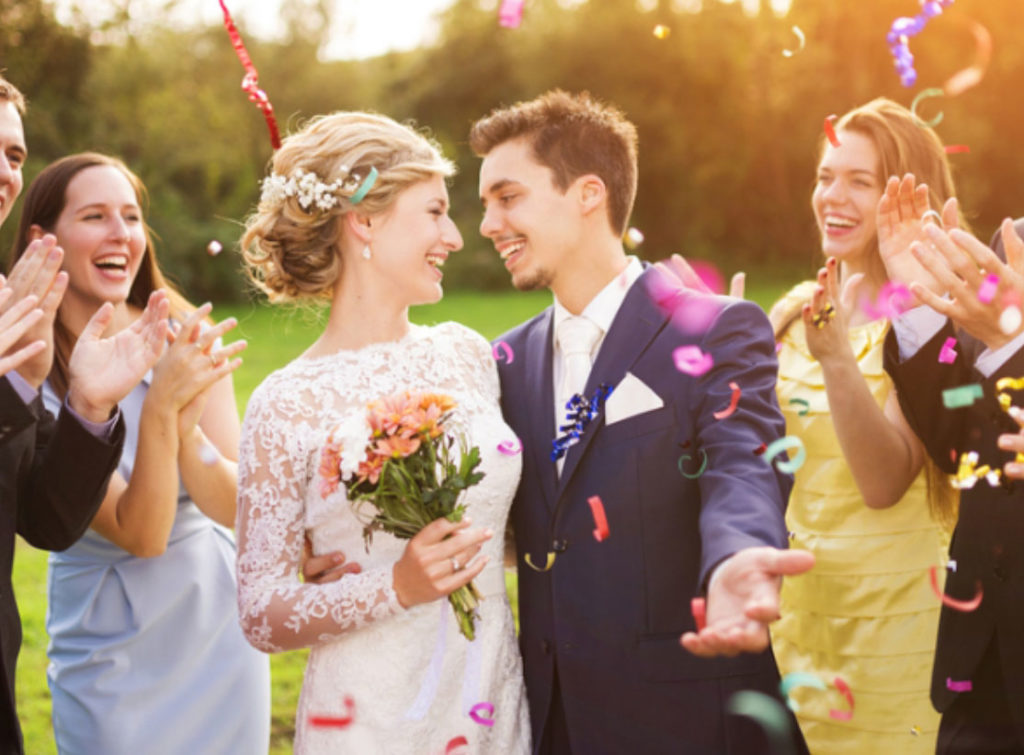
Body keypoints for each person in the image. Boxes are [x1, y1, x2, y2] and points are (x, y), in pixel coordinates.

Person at [470, 89, 814, 754]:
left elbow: (741, 461)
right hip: (556, 722)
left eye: (507, 197)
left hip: (688, 719)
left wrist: (737, 557)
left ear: (588, 193)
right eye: (486, 203)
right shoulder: (505, 360)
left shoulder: (719, 328)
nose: (487, 223)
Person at [235, 111, 530, 754]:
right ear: (363, 220)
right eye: (434, 212)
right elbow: (260, 612)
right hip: (369, 717)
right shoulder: (284, 403)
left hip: (486, 695)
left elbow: (507, 530)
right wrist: (396, 587)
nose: (454, 235)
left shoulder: (467, 355)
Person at [10, 151, 270, 754]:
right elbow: (141, 533)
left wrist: (188, 431)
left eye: (130, 216)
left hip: (214, 625)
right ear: (43, 239)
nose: (120, 234)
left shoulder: (181, 332)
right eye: (95, 216)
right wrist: (161, 412)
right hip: (109, 640)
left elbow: (235, 503)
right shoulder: (26, 363)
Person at [764, 98, 955, 750]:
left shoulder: (929, 322)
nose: (832, 197)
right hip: (801, 617)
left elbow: (884, 481)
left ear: (904, 197)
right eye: (825, 176)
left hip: (895, 625)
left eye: (860, 181)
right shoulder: (792, 310)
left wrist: (840, 360)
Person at [0, 76, 170, 753]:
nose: (4, 172)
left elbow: (46, 520)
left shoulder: (14, 306)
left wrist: (89, 407)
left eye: (14, 154)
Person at [878, 174, 1024, 750]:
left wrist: (1013, 346)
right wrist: (918, 308)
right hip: (983, 664)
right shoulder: (1014, 246)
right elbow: (962, 440)